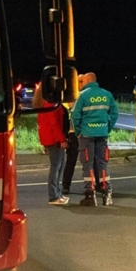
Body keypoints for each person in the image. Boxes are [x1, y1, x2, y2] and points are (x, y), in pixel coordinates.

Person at [72, 72, 120, 206]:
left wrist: (78, 131)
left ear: (87, 80)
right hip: (102, 134)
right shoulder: (107, 94)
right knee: (102, 164)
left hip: (86, 135)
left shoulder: (82, 95)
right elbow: (115, 113)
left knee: (88, 165)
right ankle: (107, 193)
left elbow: (75, 116)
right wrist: (107, 128)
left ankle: (90, 194)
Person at [33, 84, 68, 206]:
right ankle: (53, 196)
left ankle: (57, 193)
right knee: (56, 166)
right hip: (53, 140)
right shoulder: (49, 105)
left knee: (60, 165)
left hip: (52, 139)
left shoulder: (47, 104)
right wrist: (62, 139)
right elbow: (54, 125)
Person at [60, 100, 80, 198]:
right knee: (70, 162)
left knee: (89, 161)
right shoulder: (62, 106)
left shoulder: (80, 101)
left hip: (81, 133)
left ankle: (94, 185)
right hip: (72, 135)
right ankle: (66, 186)